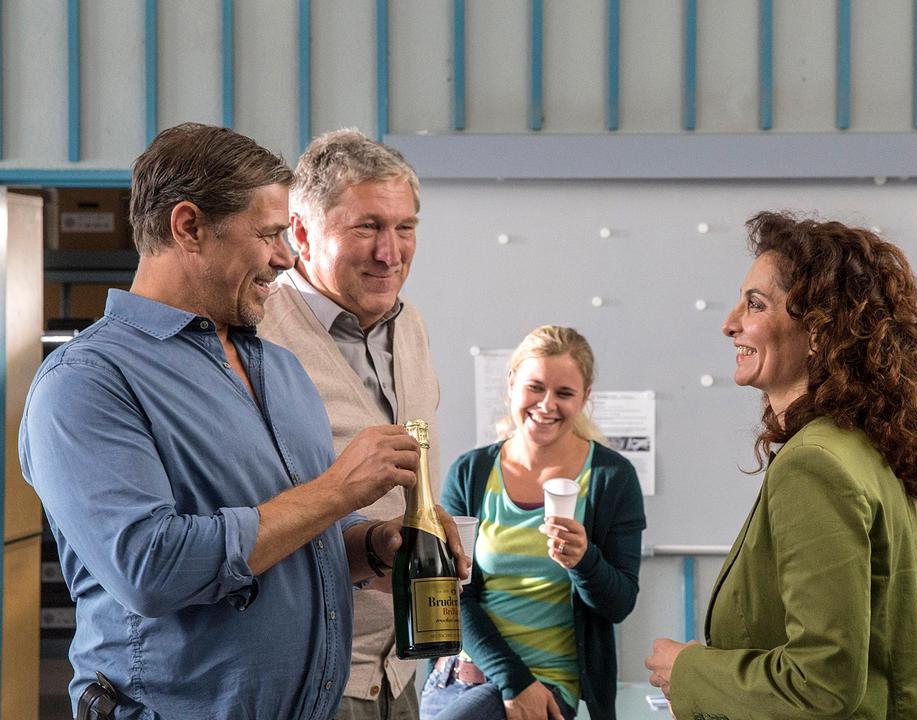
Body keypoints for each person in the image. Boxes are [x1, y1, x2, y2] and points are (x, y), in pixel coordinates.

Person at [18, 123, 452, 719]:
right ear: (188, 227)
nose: (284, 257)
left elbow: (299, 538)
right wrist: (335, 491)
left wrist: (375, 547)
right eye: (270, 234)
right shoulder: (87, 383)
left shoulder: (278, 367)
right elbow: (152, 568)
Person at [645, 212, 917, 719]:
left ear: (818, 331)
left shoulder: (815, 465)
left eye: (755, 304)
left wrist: (689, 670)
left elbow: (822, 683)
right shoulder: (860, 447)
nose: (729, 323)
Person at [258, 127, 453, 720]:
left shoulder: (409, 324)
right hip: (311, 677)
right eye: (366, 227)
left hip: (401, 671)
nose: (390, 252)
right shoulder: (258, 331)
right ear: (300, 233)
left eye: (405, 228)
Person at [422, 325, 646, 720]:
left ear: (585, 398)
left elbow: (619, 604)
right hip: (457, 680)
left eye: (564, 393)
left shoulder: (612, 477)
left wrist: (584, 560)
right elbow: (455, 595)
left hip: (548, 689)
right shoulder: (471, 473)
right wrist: (513, 680)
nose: (546, 405)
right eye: (535, 387)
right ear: (511, 384)